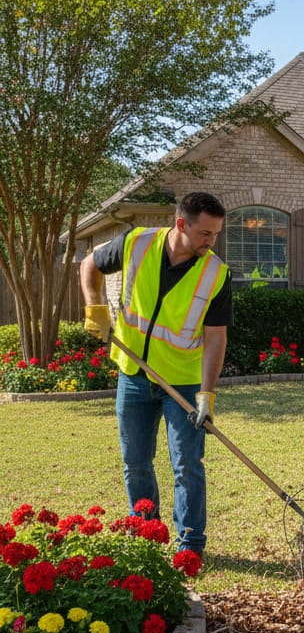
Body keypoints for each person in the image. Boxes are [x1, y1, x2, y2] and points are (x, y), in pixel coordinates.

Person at [80, 192, 231, 556]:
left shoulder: (216, 274)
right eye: (205, 234)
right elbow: (89, 264)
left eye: (216, 235)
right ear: (181, 224)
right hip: (133, 374)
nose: (211, 242)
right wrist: (94, 306)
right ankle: (146, 532)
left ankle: (190, 545)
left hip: (182, 381)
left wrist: (206, 395)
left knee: (187, 466)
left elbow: (215, 339)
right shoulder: (137, 243)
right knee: (135, 462)